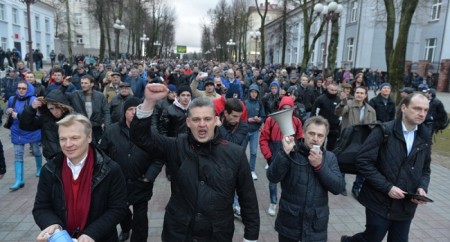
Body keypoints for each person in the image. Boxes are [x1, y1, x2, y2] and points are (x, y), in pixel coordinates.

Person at [130, 85, 260, 242]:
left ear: (216, 120)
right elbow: (141, 137)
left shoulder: (235, 154)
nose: (202, 124)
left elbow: (248, 198)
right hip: (179, 233)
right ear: (188, 122)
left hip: (217, 234)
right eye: (196, 119)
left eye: (207, 119)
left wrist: (251, 237)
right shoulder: (176, 146)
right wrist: (148, 103)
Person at [341, 93, 432, 242]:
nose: (422, 114)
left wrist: (422, 187)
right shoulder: (384, 131)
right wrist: (387, 187)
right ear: (403, 107)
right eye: (417, 108)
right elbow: (363, 161)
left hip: (405, 205)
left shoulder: (424, 136)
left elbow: (426, 168)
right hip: (379, 201)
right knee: (372, 238)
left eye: (425, 110)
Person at [33, 114, 128, 242]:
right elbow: (41, 207)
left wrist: (91, 234)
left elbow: (118, 209)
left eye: (74, 138)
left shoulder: (111, 169)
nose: (68, 144)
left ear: (89, 137)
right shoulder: (49, 170)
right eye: (63, 139)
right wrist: (52, 225)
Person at [268, 116, 345, 241]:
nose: (315, 139)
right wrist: (283, 154)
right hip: (290, 223)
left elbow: (338, 187)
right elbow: (272, 177)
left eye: (320, 135)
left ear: (325, 137)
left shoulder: (330, 157)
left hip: (316, 226)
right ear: (303, 133)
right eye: (311, 133)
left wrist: (320, 166)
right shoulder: (291, 152)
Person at [99, 97, 164, 242]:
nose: (134, 112)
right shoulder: (112, 131)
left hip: (141, 182)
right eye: (130, 109)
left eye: (137, 109)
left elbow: (159, 157)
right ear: (124, 112)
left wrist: (149, 176)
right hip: (118, 183)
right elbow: (102, 155)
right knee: (122, 211)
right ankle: (126, 227)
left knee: (140, 219)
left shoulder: (151, 132)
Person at [259, 96, 303, 216]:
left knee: (290, 180)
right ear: (280, 107)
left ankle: (286, 203)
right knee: (273, 180)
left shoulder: (297, 122)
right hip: (275, 153)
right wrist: (268, 156)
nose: (286, 111)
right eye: (284, 108)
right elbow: (263, 139)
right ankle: (273, 202)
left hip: (291, 155)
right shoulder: (270, 121)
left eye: (289, 109)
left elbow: (300, 138)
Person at [335, 86, 377, 198]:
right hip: (348, 138)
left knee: (363, 163)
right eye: (357, 92)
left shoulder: (371, 110)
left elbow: (373, 126)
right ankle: (341, 185)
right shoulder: (348, 104)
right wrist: (343, 101)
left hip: (364, 140)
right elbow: (338, 112)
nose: (359, 95)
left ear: (365, 95)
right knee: (342, 161)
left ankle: (356, 187)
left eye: (362, 93)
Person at [6, 81, 43, 190]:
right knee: (18, 154)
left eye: (23, 88)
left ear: (28, 89)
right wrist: (8, 111)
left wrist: (19, 115)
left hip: (31, 130)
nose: (21, 90)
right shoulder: (12, 99)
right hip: (17, 130)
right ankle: (19, 180)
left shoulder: (32, 100)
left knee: (36, 150)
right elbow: (8, 110)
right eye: (19, 88)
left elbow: (36, 115)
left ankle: (39, 168)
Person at [19, 89, 73, 163]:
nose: (55, 111)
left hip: (71, 156)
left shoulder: (73, 119)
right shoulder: (45, 119)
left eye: (57, 107)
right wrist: (31, 108)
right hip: (52, 158)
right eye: (51, 108)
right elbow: (25, 125)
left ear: (63, 107)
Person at [62, 75, 111, 143]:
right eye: (82, 83)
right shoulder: (75, 95)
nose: (83, 85)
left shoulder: (100, 96)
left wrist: (107, 128)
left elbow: (106, 112)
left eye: (86, 83)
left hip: (96, 129)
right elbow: (59, 95)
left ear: (92, 84)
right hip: (81, 128)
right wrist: (64, 86)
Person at [243, 84, 266, 180]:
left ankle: (251, 170)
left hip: (255, 131)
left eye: (255, 92)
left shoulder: (259, 103)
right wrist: (248, 120)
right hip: (244, 131)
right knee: (241, 152)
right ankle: (242, 170)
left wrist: (259, 120)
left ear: (257, 94)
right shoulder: (244, 102)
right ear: (249, 93)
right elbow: (240, 117)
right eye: (252, 92)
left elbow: (263, 116)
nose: (253, 94)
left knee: (253, 152)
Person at [312, 83, 341, 151]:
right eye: (332, 90)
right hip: (321, 126)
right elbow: (315, 112)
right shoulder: (320, 99)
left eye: (335, 90)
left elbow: (341, 113)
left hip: (334, 128)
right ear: (327, 89)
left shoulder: (339, 100)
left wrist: (339, 123)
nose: (333, 92)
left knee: (332, 147)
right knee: (318, 145)